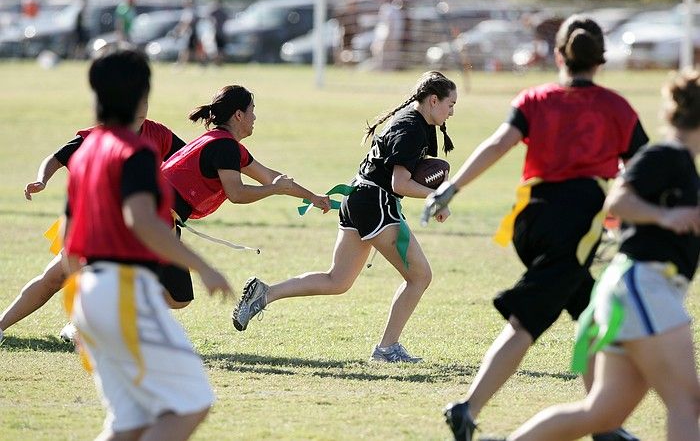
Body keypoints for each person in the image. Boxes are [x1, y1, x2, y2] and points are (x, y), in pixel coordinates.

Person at [422, 16, 648, 440]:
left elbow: (497, 145)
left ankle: (605, 424)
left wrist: (451, 189)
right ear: (601, 59)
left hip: (530, 219)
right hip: (577, 224)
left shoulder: (535, 98)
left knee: (593, 315)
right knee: (527, 321)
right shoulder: (617, 107)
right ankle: (466, 408)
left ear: (558, 55)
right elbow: (646, 167)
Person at [486, 69, 700, 441]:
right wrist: (665, 215)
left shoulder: (681, 163)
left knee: (603, 412)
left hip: (633, 291)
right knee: (687, 402)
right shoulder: (667, 154)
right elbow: (618, 199)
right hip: (644, 286)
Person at [62, 48, 231, 440]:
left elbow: (70, 241)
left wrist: (81, 305)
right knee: (191, 404)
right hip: (124, 292)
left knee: (130, 422)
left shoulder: (87, 152)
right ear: (142, 96)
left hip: (87, 292)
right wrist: (203, 267)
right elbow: (140, 219)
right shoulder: (136, 151)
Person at [231, 71, 456, 363]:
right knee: (420, 276)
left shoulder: (420, 125)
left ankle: (264, 294)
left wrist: (439, 190)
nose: (452, 111)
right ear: (433, 100)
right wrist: (435, 197)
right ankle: (387, 349)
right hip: (375, 203)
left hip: (358, 198)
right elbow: (400, 183)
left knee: (337, 280)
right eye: (450, 104)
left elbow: (419, 171)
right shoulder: (411, 128)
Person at [0, 84, 187, 343]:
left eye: (144, 101)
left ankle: (83, 324)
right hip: (96, 224)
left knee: (168, 295)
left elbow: (187, 161)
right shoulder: (98, 137)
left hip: (138, 231)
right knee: (53, 279)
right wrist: (41, 180)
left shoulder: (159, 134)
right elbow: (57, 158)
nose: (142, 107)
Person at [161, 84, 331, 247]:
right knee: (165, 276)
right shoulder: (225, 147)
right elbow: (236, 194)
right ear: (239, 115)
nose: (255, 117)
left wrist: (312, 197)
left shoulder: (223, 142)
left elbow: (270, 177)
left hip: (157, 213)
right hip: (156, 215)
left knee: (170, 277)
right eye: (252, 110)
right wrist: (274, 189)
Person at [175, 0, 201, 65]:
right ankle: (181, 63)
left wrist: (181, 31)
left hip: (189, 33)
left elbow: (187, 22)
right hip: (190, 33)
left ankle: (180, 63)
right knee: (189, 50)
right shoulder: (189, 11)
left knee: (186, 49)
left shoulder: (190, 11)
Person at [208, 0, 228, 66]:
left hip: (217, 33)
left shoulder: (216, 11)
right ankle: (218, 63)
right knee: (219, 50)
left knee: (217, 50)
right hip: (220, 33)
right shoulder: (222, 12)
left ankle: (218, 63)